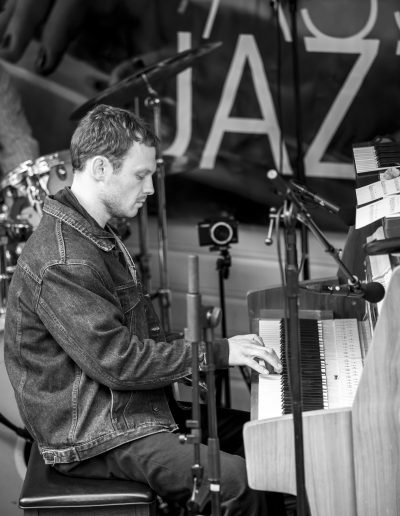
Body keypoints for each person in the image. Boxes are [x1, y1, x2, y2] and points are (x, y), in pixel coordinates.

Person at [4, 104, 283, 515]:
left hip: (129, 408)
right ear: (100, 168)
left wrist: (222, 349)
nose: (150, 187)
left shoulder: (94, 233)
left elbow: (134, 341)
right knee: (238, 484)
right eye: (140, 175)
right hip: (95, 433)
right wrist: (221, 353)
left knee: (265, 437)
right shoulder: (64, 259)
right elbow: (118, 362)